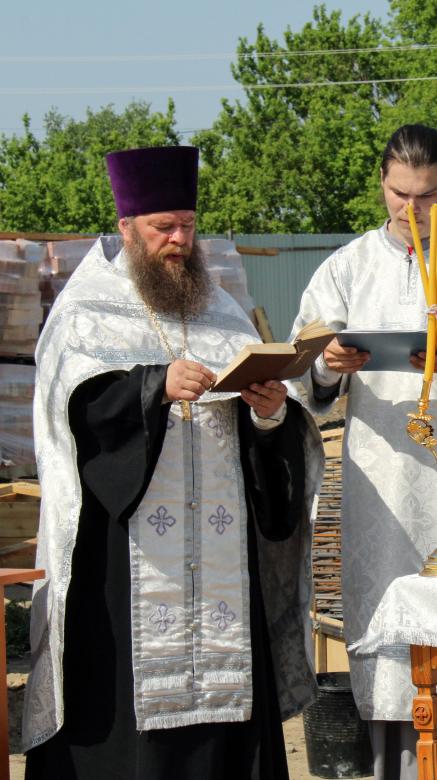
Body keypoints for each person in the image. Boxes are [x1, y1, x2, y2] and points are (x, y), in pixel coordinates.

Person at [23, 145, 324, 779]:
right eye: (163, 227)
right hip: (123, 571)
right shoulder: (85, 314)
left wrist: (269, 412)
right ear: (127, 227)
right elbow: (71, 418)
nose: (179, 240)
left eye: (187, 224)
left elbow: (270, 444)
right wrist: (152, 388)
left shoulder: (220, 310)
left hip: (221, 573)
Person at [293, 124, 437, 780]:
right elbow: (302, 373)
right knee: (394, 634)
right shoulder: (345, 268)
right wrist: (330, 363)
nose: (410, 209)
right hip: (383, 482)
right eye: (399, 194)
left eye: (425, 196)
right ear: (382, 184)